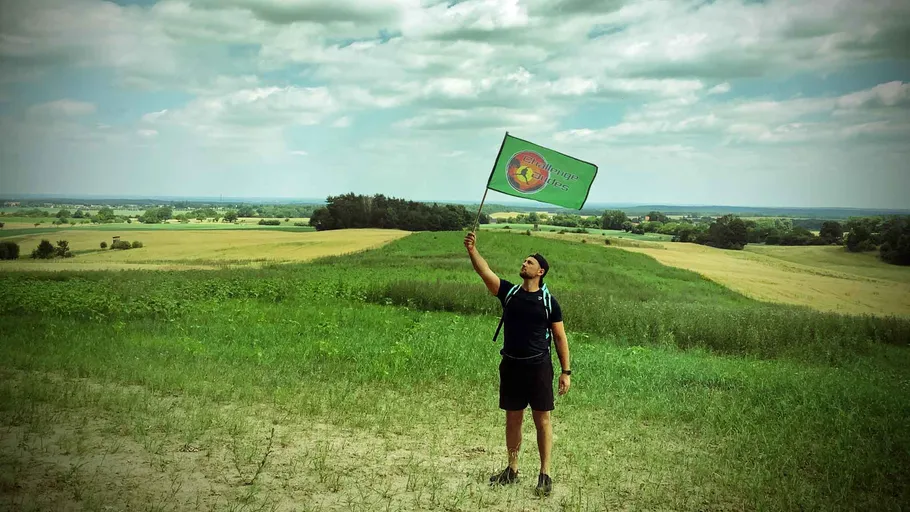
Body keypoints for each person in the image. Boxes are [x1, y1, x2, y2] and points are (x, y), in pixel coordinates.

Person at [463, 231, 571, 497]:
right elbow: (485, 272)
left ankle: (545, 474)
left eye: (530, 263)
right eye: (524, 262)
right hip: (511, 365)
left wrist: (566, 372)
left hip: (539, 367)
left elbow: (559, 336)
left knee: (542, 420)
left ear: (541, 271)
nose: (524, 265)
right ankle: (512, 469)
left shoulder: (549, 303)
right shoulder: (509, 292)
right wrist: (472, 251)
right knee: (513, 419)